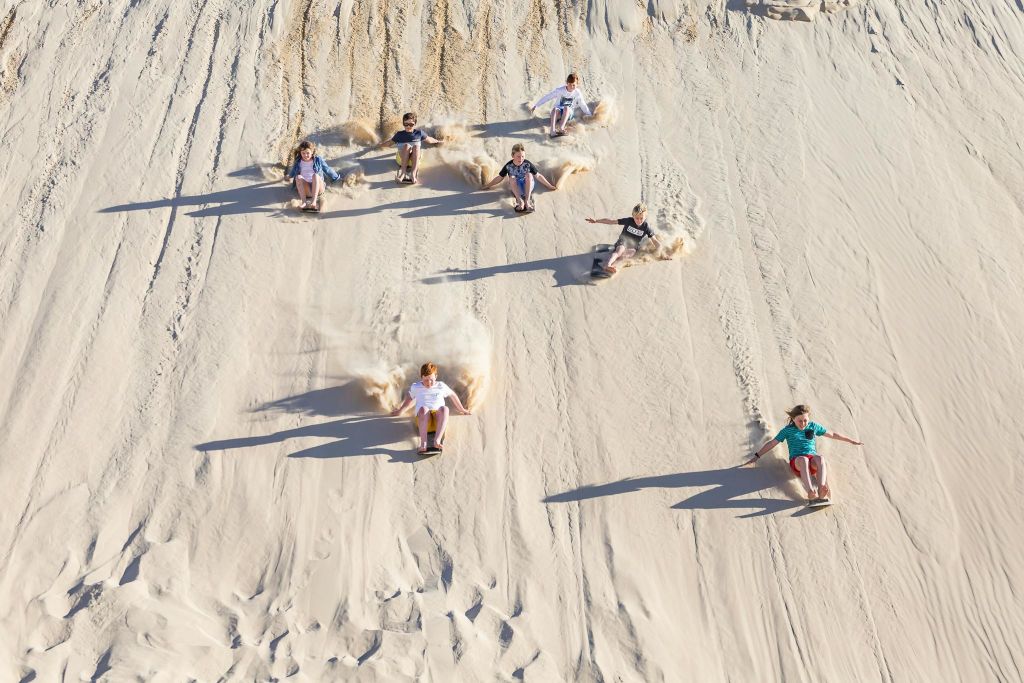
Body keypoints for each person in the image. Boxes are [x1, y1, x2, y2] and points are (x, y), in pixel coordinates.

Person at [747, 404, 863, 501]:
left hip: (812, 462)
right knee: (804, 460)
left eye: (805, 420)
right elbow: (772, 443)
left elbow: (832, 434)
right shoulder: (787, 430)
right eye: (800, 421)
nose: (803, 423)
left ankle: (821, 488)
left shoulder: (813, 426)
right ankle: (810, 492)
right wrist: (757, 455)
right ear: (793, 419)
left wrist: (851, 440)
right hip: (797, 463)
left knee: (820, 458)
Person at [390, 362, 471, 454]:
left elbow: (453, 395)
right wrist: (400, 411)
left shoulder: (441, 386)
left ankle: (437, 440)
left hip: (438, 422)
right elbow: (409, 399)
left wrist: (462, 409)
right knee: (424, 409)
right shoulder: (416, 387)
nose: (429, 383)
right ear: (421, 377)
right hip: (423, 421)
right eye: (426, 380)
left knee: (445, 409)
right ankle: (423, 443)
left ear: (436, 376)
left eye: (431, 379)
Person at [585, 202, 665, 273]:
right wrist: (596, 221)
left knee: (630, 254)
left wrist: (662, 253)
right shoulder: (628, 221)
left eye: (641, 218)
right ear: (633, 216)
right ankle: (607, 264)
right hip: (623, 241)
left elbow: (655, 241)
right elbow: (611, 221)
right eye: (637, 218)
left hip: (633, 246)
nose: (639, 220)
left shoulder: (646, 227)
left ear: (645, 217)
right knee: (620, 251)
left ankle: (615, 264)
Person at [481, 143, 557, 212]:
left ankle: (527, 201)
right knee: (512, 177)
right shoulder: (508, 166)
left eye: (523, 156)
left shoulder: (527, 164)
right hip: (516, 188)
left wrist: (549, 185)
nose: (521, 159)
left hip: (527, 186)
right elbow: (499, 178)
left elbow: (538, 176)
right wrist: (488, 185)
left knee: (529, 175)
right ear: (512, 156)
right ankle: (520, 201)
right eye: (518, 156)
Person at [375, 112, 440, 184]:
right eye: (406, 124)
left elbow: (430, 140)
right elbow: (389, 143)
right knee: (407, 146)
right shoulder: (399, 135)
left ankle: (413, 174)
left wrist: (438, 141)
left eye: (411, 124)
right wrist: (380, 145)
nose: (408, 126)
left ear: (415, 124)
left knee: (416, 147)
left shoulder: (419, 133)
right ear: (403, 124)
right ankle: (402, 174)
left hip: (414, 160)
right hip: (401, 160)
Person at [530, 72, 592, 137]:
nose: (571, 86)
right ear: (567, 83)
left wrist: (589, 114)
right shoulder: (560, 90)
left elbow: (582, 104)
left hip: (568, 114)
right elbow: (548, 97)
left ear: (577, 84)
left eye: (574, 85)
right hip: (557, 115)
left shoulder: (577, 93)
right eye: (570, 84)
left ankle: (561, 128)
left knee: (566, 108)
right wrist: (536, 105)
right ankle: (552, 131)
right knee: (555, 109)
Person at [286, 140, 340, 209]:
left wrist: (336, 178)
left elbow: (327, 169)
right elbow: (293, 171)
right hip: (306, 190)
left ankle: (313, 201)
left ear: (312, 152)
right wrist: (289, 176)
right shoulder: (298, 161)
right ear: (300, 153)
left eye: (308, 153)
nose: (305, 155)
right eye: (303, 153)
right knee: (298, 177)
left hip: (318, 189)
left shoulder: (318, 160)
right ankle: (304, 202)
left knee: (315, 175)